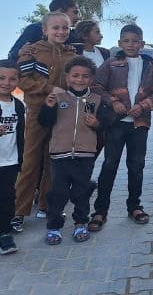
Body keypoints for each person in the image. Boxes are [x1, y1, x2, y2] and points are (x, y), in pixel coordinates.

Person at [89, 24, 153, 231]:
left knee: (136, 166)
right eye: (126, 41)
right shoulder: (111, 63)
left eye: (135, 41)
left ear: (142, 43)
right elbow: (96, 87)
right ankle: (100, 210)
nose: (131, 45)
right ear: (119, 43)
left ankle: (134, 206)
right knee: (109, 166)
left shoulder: (148, 66)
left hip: (139, 125)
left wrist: (143, 106)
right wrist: (113, 102)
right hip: (115, 124)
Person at [12, 12, 77, 233]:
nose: (61, 32)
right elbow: (23, 80)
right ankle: (18, 211)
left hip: (62, 114)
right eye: (55, 28)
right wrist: (49, 89)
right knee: (30, 162)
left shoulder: (71, 53)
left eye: (65, 28)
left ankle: (46, 205)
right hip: (38, 112)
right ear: (45, 30)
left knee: (54, 161)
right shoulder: (32, 51)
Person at [38, 56, 110, 244]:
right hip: (59, 155)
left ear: (91, 79)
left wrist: (97, 123)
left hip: (85, 155)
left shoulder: (97, 99)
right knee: (58, 193)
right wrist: (48, 107)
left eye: (85, 76)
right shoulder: (58, 98)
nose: (80, 79)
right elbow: (44, 122)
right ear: (67, 77)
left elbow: (106, 124)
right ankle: (54, 227)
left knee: (81, 192)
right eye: (75, 75)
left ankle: (80, 223)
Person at [8, 0, 80, 63]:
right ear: (60, 11)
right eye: (75, 12)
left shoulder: (75, 37)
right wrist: (19, 52)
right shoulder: (35, 29)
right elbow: (12, 55)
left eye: (65, 29)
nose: (78, 17)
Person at [0, 60, 24, 255]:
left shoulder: (19, 105)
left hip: (10, 161)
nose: (6, 83)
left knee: (7, 198)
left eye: (12, 79)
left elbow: (21, 133)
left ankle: (4, 233)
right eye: (1, 78)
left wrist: (21, 159)